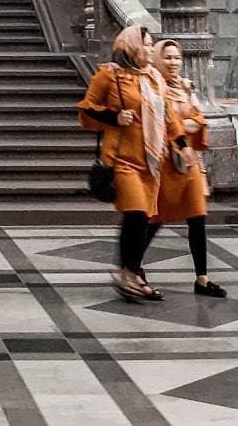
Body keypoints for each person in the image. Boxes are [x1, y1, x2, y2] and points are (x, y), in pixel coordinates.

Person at [79, 23, 185, 301]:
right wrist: (113, 117)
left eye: (151, 45)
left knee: (143, 218)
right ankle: (129, 273)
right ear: (132, 47)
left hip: (151, 160)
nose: (151, 49)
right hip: (121, 160)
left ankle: (134, 275)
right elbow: (87, 110)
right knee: (137, 212)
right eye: (147, 44)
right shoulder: (109, 75)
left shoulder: (153, 77)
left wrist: (182, 145)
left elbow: (169, 116)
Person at [144, 39, 227, 297]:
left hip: (189, 161)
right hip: (165, 163)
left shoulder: (185, 88)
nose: (173, 62)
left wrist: (186, 124)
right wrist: (185, 124)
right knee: (155, 219)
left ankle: (202, 278)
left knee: (197, 217)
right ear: (158, 59)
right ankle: (132, 265)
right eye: (167, 57)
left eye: (177, 58)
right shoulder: (153, 87)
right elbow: (165, 122)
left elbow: (199, 120)